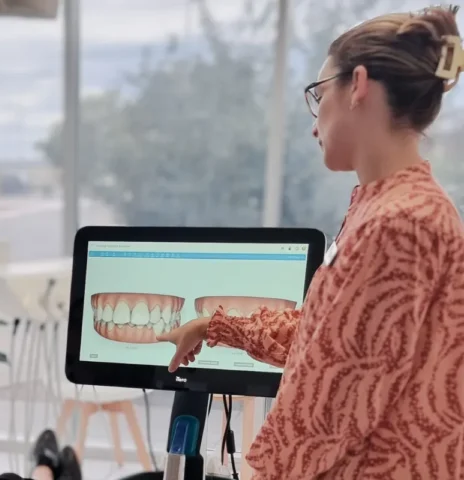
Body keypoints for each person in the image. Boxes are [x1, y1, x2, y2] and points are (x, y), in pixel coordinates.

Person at [158, 5, 464, 480]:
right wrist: (211, 326)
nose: (313, 121)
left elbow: (332, 413)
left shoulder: (401, 222)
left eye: (319, 94)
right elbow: (327, 342)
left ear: (357, 85)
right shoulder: (381, 204)